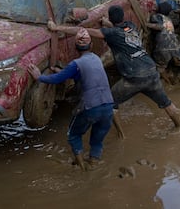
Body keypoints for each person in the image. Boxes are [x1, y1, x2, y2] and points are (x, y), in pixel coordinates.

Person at [48, 5, 180, 128]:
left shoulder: (111, 34)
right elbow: (116, 28)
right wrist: (107, 23)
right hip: (151, 72)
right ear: (122, 18)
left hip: (134, 77)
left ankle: (120, 135)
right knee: (167, 104)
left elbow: (83, 30)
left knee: (110, 103)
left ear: (111, 18)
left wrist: (56, 28)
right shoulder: (130, 26)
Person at [26, 29, 120, 170]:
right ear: (91, 46)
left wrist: (39, 77)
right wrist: (65, 72)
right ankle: (94, 164)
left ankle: (81, 167)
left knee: (73, 135)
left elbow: (57, 79)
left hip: (90, 107)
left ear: (76, 48)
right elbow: (83, 76)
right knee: (97, 140)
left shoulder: (75, 64)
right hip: (108, 105)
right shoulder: (96, 59)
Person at [148, 2, 180, 89]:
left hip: (163, 47)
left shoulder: (157, 16)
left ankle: (169, 84)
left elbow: (160, 27)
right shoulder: (169, 20)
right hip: (175, 45)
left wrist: (148, 25)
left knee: (160, 68)